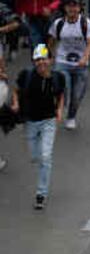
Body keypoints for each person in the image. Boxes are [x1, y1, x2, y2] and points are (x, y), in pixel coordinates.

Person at [11, 44, 64, 209]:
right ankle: (38, 158)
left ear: (51, 60)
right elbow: (15, 90)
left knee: (46, 157)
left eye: (44, 59)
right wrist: (15, 103)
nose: (41, 63)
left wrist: (60, 110)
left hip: (48, 121)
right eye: (38, 59)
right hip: (30, 122)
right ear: (34, 61)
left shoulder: (58, 77)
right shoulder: (26, 75)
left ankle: (41, 193)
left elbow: (60, 94)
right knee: (36, 156)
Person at [49, 0, 90, 130]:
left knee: (77, 96)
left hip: (81, 65)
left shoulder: (85, 23)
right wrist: (49, 56)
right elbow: (51, 41)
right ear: (65, 8)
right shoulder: (58, 24)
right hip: (62, 62)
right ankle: (58, 107)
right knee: (65, 87)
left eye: (75, 6)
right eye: (69, 6)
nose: (72, 9)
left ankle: (71, 117)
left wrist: (85, 58)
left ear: (79, 8)